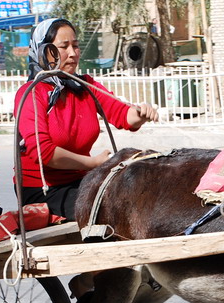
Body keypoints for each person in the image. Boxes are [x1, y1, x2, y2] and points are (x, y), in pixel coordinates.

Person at [14, 17, 158, 221]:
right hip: (43, 190)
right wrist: (92, 163)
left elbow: (122, 114)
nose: (73, 53)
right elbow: (43, 152)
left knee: (140, 191)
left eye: (76, 46)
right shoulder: (31, 93)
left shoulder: (85, 86)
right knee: (115, 210)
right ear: (45, 51)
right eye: (64, 47)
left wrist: (140, 114)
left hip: (82, 181)